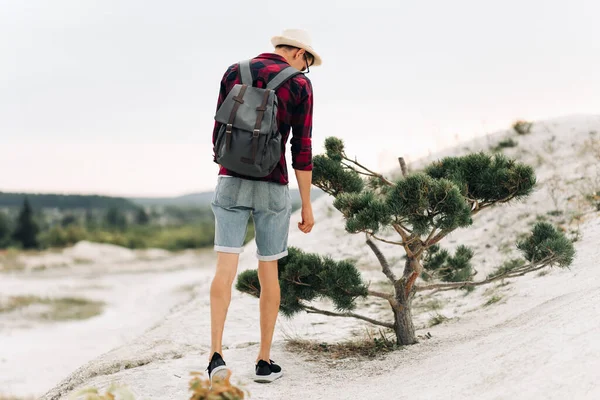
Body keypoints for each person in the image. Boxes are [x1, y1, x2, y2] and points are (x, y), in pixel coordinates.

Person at [207, 29, 322, 384]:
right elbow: (301, 149)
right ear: (299, 53)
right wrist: (306, 205)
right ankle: (263, 360)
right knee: (268, 272)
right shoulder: (300, 85)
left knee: (224, 269)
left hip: (230, 181)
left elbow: (218, 130)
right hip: (272, 186)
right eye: (308, 62)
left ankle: (215, 357)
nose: (307, 68)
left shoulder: (233, 72)